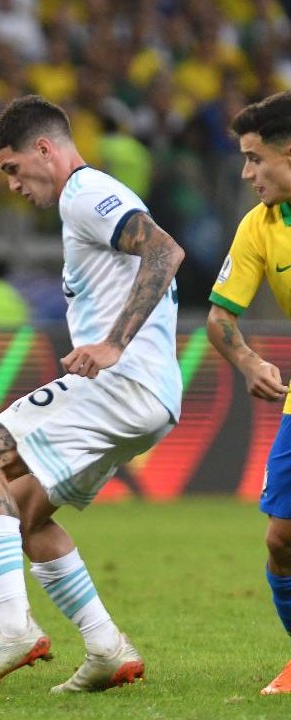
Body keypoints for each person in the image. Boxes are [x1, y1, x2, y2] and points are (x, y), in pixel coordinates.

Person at [0, 95, 184, 696]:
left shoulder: (85, 193)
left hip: (121, 384)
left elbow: (165, 250)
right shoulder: (89, 200)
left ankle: (12, 628)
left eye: (12, 168)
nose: (12, 184)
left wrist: (113, 344)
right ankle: (106, 648)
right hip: (149, 398)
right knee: (25, 515)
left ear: (44, 149)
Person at [205, 90, 291, 696]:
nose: (246, 173)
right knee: (281, 538)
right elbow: (220, 317)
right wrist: (247, 359)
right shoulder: (259, 226)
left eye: (255, 158)